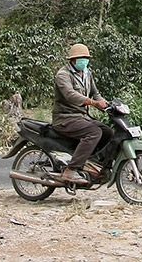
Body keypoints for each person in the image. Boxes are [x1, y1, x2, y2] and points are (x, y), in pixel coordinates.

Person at [51, 43, 112, 186]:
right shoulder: (63, 75)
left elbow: (95, 93)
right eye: (81, 58)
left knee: (107, 132)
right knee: (94, 132)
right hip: (65, 118)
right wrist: (92, 103)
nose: (84, 60)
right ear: (72, 60)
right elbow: (70, 95)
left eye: (86, 58)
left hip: (81, 117)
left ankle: (90, 163)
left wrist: (105, 104)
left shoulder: (87, 73)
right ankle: (70, 170)